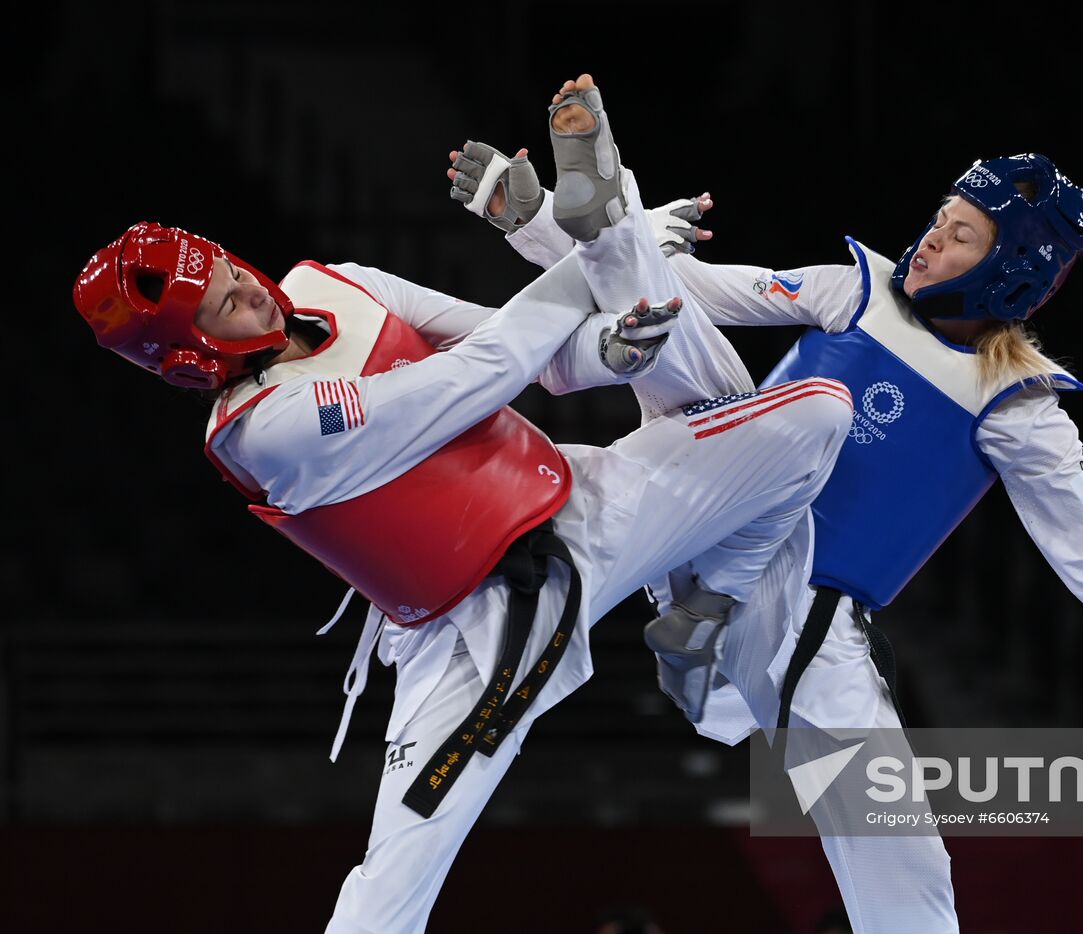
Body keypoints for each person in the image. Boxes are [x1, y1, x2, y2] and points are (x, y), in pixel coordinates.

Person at [457, 77, 1083, 934]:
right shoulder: (850, 289)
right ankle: (592, 209)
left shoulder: (1014, 403)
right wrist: (531, 221)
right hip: (706, 505)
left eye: (962, 232)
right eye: (941, 214)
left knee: (901, 856)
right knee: (680, 333)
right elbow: (692, 287)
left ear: (1010, 272)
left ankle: (701, 643)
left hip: (790, 606)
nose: (933, 233)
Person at [71, 101, 854, 929]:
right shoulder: (264, 433)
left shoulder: (330, 283)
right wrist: (604, 239)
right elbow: (479, 374)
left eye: (234, 271)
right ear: (191, 362)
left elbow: (525, 348)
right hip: (472, 632)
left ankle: (703, 615)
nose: (252, 296)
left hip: (587, 502)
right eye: (227, 308)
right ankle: (707, 622)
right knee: (395, 881)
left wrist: (608, 343)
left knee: (817, 416)